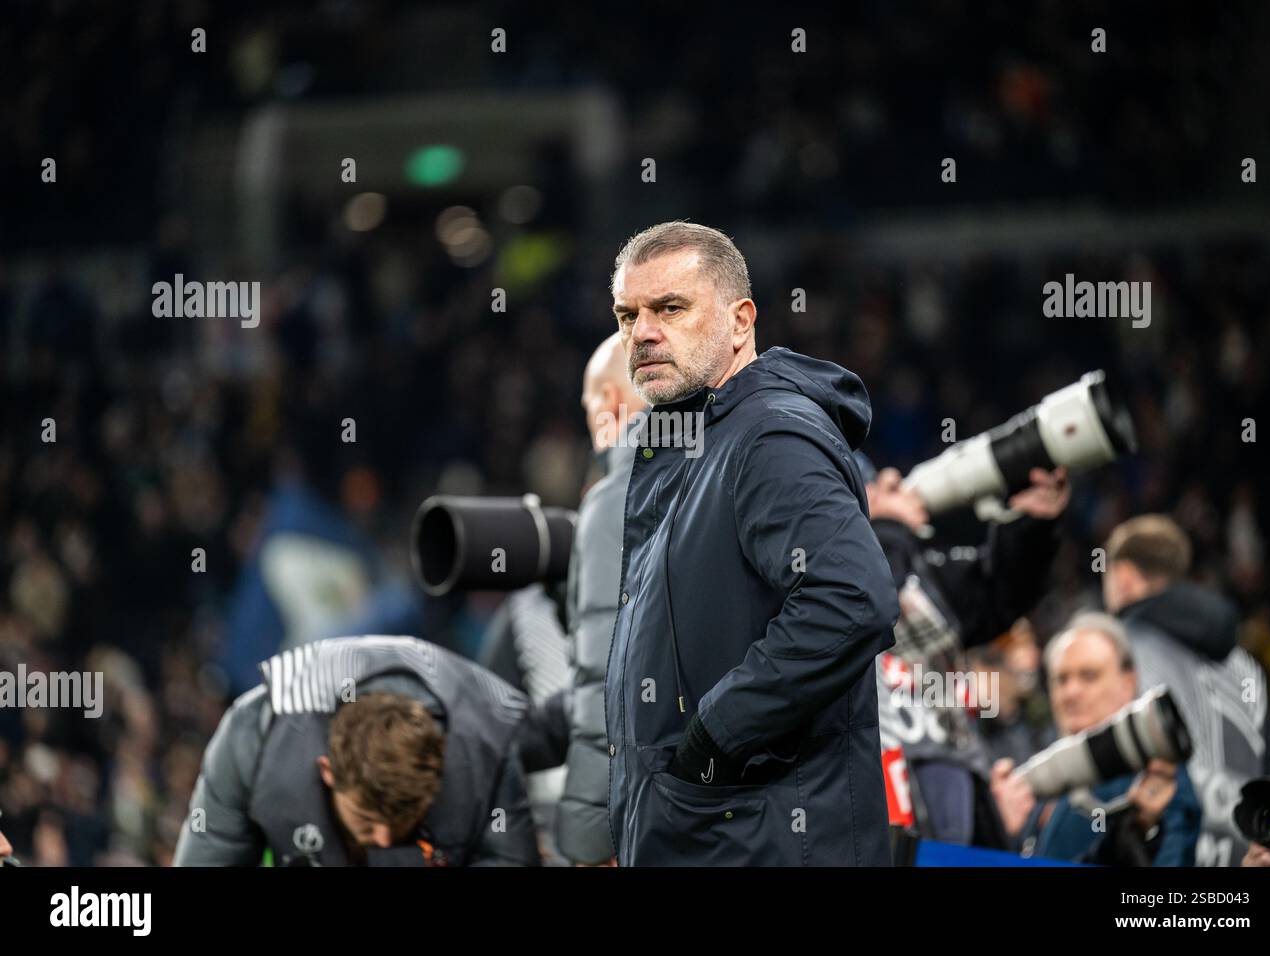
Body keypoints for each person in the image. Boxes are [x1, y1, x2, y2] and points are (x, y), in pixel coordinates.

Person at [605, 221, 900, 866]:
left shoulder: (769, 436)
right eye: (628, 316)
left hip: (761, 841)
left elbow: (852, 600)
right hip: (716, 835)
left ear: (741, 322)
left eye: (670, 309)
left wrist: (715, 737)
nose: (643, 333)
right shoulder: (693, 439)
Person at [175, 635, 539, 866]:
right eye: (366, 819)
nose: (383, 839)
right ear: (328, 772)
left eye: (402, 823)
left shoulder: (486, 750)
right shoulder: (252, 737)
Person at [864, 456, 1069, 846]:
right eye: (877, 486)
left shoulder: (920, 571)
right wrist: (885, 530)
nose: (896, 483)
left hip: (951, 809)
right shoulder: (817, 573)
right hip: (873, 821)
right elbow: (867, 607)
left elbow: (997, 596)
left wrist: (1030, 526)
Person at [1102, 514, 1266, 866]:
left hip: (1170, 847)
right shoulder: (1246, 664)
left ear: (1125, 577)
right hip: (1243, 852)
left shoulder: (1119, 651)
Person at [990, 613, 1201, 865]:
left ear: (1128, 682)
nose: (1071, 692)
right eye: (1061, 679)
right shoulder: (1041, 776)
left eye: (1089, 676)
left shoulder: (1155, 776)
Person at [554, 333, 645, 866]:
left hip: (647, 819)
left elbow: (605, 682)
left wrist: (589, 832)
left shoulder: (618, 497)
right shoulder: (737, 462)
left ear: (610, 404)